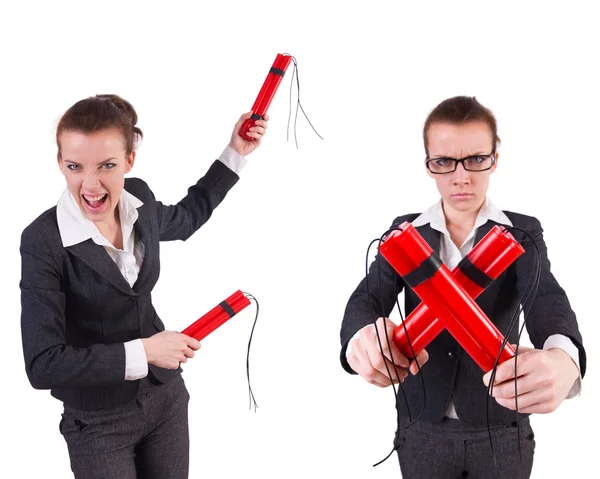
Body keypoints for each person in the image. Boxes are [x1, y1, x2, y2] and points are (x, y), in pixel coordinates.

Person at [19, 94, 268, 479]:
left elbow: (186, 218)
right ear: (60, 164)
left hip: (165, 402)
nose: (90, 184)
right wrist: (146, 351)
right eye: (74, 166)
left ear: (129, 161)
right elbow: (43, 364)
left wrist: (236, 151)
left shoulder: (141, 202)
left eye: (107, 166)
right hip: (98, 424)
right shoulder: (43, 240)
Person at [339, 96, 586, 478]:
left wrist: (564, 357)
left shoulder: (521, 231)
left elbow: (546, 298)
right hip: (421, 429)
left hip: (501, 429)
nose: (461, 177)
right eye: (444, 162)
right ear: (429, 165)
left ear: (494, 159)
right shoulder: (405, 233)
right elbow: (367, 299)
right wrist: (360, 339)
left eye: (475, 159)